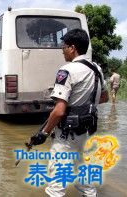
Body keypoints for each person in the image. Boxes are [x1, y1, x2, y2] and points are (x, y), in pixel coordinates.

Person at [29, 29, 109, 197]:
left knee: (56, 185)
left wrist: (43, 133)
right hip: (86, 131)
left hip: (66, 135)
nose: (62, 51)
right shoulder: (97, 69)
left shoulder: (67, 70)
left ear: (72, 48)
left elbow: (59, 111)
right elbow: (104, 97)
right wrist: (82, 105)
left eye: (64, 47)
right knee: (84, 177)